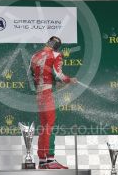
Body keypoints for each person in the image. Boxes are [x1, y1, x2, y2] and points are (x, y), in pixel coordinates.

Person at [30, 36, 77, 169]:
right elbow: (59, 73)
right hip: (47, 93)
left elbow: (33, 76)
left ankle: (43, 160)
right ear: (57, 46)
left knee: (44, 126)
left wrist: (52, 83)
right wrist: (69, 80)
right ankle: (50, 160)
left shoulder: (35, 55)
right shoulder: (56, 54)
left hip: (39, 94)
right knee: (49, 125)